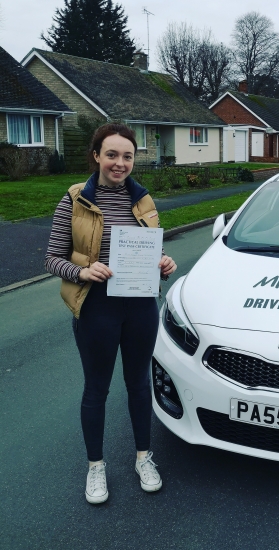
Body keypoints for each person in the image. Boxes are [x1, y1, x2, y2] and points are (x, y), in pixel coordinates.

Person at [45, 123, 177, 504]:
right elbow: (53, 258)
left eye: (127, 156)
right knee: (96, 389)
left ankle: (142, 457)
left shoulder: (144, 201)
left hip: (139, 306)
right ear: (97, 156)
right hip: (96, 307)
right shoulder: (73, 200)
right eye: (112, 155)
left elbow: (152, 252)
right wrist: (82, 271)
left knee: (139, 383)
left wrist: (163, 263)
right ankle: (96, 466)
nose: (120, 163)